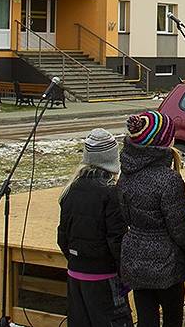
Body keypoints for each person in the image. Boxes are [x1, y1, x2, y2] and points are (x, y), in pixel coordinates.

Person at [117, 112, 185, 327]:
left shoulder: (126, 174)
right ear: (163, 142)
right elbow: (179, 228)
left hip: (135, 256)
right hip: (166, 261)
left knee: (145, 318)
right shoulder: (169, 180)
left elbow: (125, 215)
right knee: (172, 318)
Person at [57, 129, 131, 327]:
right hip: (103, 275)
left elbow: (62, 236)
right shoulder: (111, 192)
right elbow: (117, 240)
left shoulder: (71, 189)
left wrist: (76, 258)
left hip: (76, 273)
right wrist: (125, 274)